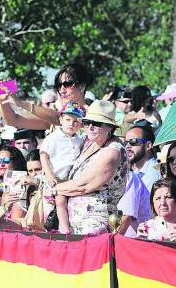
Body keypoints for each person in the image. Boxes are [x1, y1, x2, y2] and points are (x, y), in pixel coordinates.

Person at [52, 100, 128, 234]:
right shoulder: (88, 142)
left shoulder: (113, 151)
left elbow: (82, 186)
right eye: (87, 123)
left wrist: (51, 188)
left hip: (95, 224)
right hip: (73, 223)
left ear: (110, 127)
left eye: (97, 124)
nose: (90, 127)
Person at [0, 63, 93, 130]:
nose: (62, 90)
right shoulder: (51, 119)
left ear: (82, 86)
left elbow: (57, 118)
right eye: (59, 85)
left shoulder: (95, 112)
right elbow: (13, 120)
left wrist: (21, 103)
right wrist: (3, 101)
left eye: (67, 84)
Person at [117, 125, 154, 237]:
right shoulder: (131, 172)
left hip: (140, 241)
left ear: (148, 145)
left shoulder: (154, 174)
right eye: (125, 142)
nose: (128, 146)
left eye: (133, 142)